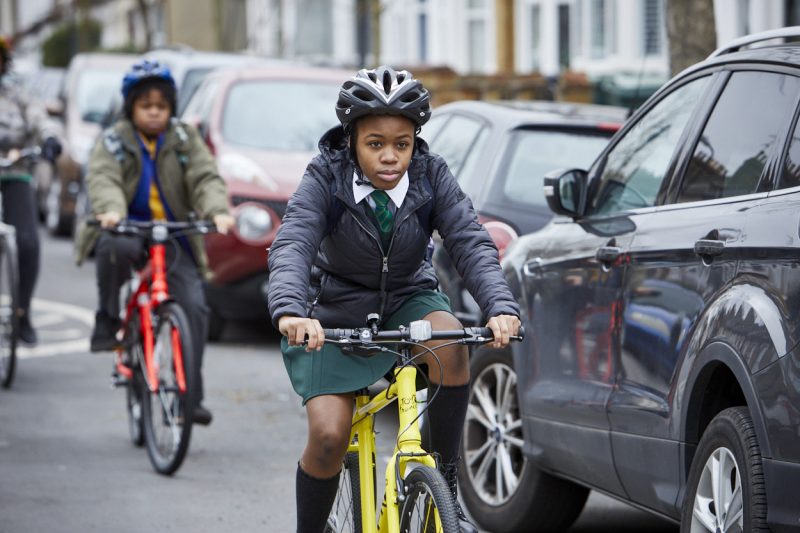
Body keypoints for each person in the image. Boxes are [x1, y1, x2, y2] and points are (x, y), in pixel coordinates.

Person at [268, 66, 521, 533]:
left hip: (408, 296)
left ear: (415, 141)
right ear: (351, 141)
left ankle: (442, 490)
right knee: (328, 436)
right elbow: (294, 243)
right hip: (330, 313)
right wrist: (291, 311)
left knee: (452, 345)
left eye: (401, 144)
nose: (390, 157)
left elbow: (469, 239)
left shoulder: (431, 175)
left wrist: (500, 307)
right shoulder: (326, 175)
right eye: (375, 143)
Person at [74, 60, 234, 426]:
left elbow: (205, 175)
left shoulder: (183, 138)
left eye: (161, 106)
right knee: (115, 250)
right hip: (126, 228)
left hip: (173, 231)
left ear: (171, 108)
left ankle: (190, 395)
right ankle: (108, 317)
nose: (153, 112)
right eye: (145, 105)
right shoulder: (114, 140)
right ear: (131, 107)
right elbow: (102, 178)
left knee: (193, 306)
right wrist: (112, 211)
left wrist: (217, 210)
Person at [0, 36, 62, 345]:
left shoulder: (18, 95)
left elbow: (41, 120)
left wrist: (50, 139)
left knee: (28, 243)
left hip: (15, 174)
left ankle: (21, 313)